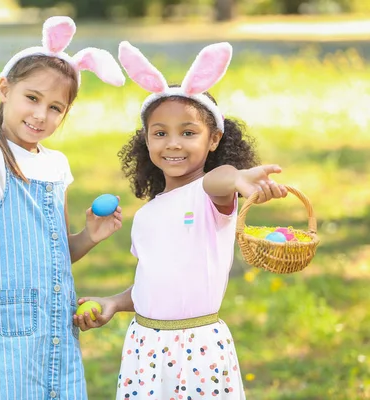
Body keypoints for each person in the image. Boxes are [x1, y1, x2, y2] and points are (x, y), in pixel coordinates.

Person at [0, 16, 125, 400]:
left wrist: (89, 238)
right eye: (32, 98)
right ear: (5, 89)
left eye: (55, 107)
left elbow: (56, 250)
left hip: (54, 332)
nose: (40, 115)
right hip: (1, 333)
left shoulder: (56, 165)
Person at [73, 41, 288, 399]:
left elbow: (219, 179)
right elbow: (156, 281)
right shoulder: (147, 214)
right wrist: (115, 302)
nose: (173, 143)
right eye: (160, 133)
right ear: (147, 138)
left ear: (214, 139)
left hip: (197, 348)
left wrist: (237, 179)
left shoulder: (211, 192)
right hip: (146, 345)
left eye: (188, 133)